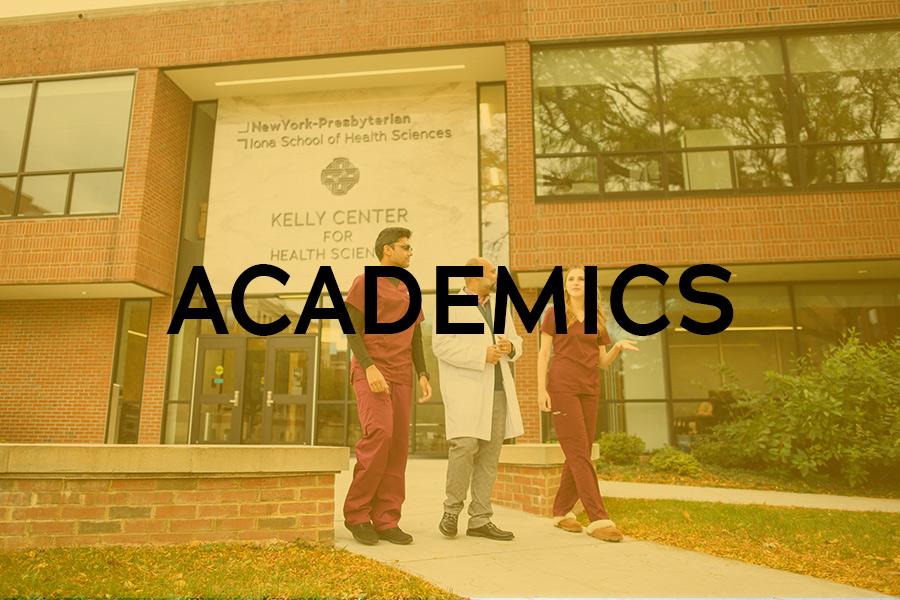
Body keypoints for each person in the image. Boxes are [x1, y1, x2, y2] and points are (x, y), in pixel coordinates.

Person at [342, 227, 432, 546]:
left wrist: (422, 373)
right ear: (387, 250)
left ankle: (386, 518)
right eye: (405, 247)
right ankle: (356, 514)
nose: (410, 252)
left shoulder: (409, 289)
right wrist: (368, 367)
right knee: (379, 434)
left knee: (397, 447)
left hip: (401, 375)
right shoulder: (364, 283)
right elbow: (351, 330)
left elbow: (416, 335)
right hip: (373, 373)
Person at [537, 267, 638, 542]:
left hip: (590, 389)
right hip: (562, 387)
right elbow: (544, 353)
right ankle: (598, 517)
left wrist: (616, 348)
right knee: (580, 452)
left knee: (578, 450)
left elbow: (601, 362)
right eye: (571, 279)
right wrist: (540, 390)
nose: (575, 282)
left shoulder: (595, 317)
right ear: (564, 286)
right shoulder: (554, 314)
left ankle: (561, 511)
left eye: (581, 279)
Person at [432, 257, 524, 541]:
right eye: (491, 272)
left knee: (489, 453)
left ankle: (480, 520)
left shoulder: (499, 305)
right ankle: (451, 511)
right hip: (466, 389)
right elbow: (442, 345)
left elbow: (516, 340)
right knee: (464, 445)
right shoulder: (449, 304)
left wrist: (511, 347)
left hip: (497, 389)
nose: (496, 276)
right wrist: (480, 355)